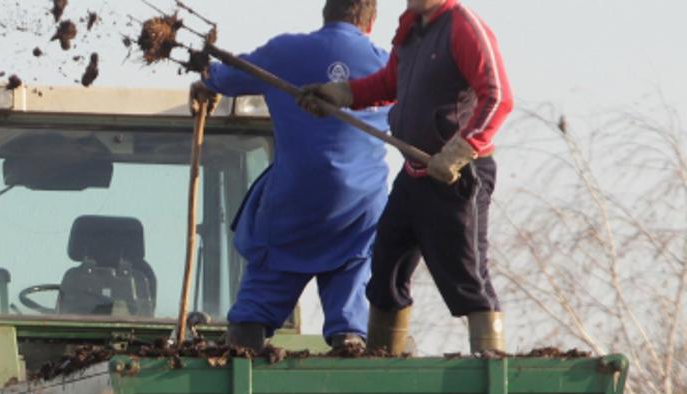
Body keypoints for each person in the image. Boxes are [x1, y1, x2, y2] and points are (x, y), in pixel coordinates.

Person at [298, 0, 513, 354]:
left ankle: (490, 364)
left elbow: (499, 98)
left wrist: (461, 150)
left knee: (467, 270)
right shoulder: (411, 29)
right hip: (416, 171)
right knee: (386, 269)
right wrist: (343, 93)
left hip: (456, 173)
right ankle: (382, 359)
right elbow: (388, 83)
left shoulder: (464, 27)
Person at [192, 0, 391, 351]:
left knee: (264, 283)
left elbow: (226, 77)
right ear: (370, 22)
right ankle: (349, 337)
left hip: (294, 201)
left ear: (325, 14)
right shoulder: (387, 67)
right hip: (358, 208)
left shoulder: (284, 53)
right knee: (355, 264)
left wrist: (207, 81)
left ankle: (246, 340)